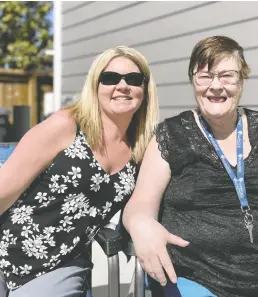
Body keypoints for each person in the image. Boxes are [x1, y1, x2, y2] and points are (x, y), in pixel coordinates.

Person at [123, 36, 258, 297]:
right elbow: (142, 202)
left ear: (242, 80)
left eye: (227, 76)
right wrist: (139, 222)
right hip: (199, 274)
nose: (216, 86)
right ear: (193, 80)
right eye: (205, 76)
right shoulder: (172, 135)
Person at [0, 45, 158, 297]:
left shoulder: (142, 150)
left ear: (144, 90)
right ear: (95, 86)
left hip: (63, 262)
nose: (122, 86)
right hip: (6, 245)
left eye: (134, 79)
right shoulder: (66, 126)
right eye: (110, 78)